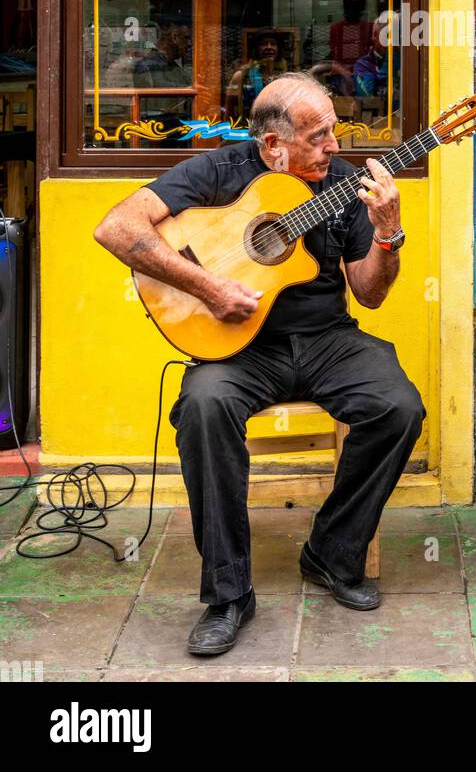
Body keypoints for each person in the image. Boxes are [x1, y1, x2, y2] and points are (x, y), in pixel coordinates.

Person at [94, 71, 420, 657]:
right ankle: (228, 592)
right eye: (319, 136)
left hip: (327, 339)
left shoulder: (343, 186)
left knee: (398, 407)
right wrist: (209, 287)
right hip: (240, 346)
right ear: (273, 145)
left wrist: (387, 235)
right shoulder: (217, 171)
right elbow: (114, 227)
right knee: (203, 407)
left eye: (335, 132)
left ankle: (331, 552)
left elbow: (369, 295)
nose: (334, 147)